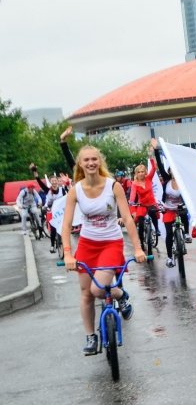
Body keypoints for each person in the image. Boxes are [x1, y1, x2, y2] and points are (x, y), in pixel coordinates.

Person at [62, 145, 145, 355]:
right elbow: (66, 224)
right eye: (86, 160)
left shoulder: (113, 186)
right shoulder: (76, 190)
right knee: (85, 293)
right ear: (80, 164)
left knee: (98, 289)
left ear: (100, 162)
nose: (91, 163)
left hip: (111, 242)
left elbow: (127, 218)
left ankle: (120, 295)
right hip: (87, 244)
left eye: (94, 159)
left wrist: (137, 248)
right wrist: (68, 253)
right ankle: (91, 337)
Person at [153, 139, 191, 268]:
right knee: (169, 234)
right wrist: (156, 150)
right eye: (172, 171)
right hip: (168, 208)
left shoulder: (183, 182)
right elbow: (159, 164)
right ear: (169, 172)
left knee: (184, 213)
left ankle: (186, 234)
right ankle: (169, 257)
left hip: (179, 208)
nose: (174, 173)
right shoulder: (167, 180)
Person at [127, 154, 161, 253]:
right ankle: (141, 242)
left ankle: (157, 229)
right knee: (141, 224)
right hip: (141, 205)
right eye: (139, 172)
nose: (141, 173)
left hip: (151, 203)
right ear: (136, 173)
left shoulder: (149, 178)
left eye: (143, 171)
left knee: (154, 214)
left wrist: (151, 157)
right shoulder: (134, 183)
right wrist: (131, 202)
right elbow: (133, 195)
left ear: (145, 172)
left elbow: (154, 167)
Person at [30, 163, 67, 253]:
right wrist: (35, 171)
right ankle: (52, 245)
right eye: (52, 181)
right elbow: (39, 181)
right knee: (54, 227)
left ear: (58, 182)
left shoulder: (62, 190)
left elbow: (69, 197)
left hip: (63, 211)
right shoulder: (48, 190)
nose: (54, 182)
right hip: (52, 211)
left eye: (56, 181)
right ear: (50, 182)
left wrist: (68, 183)